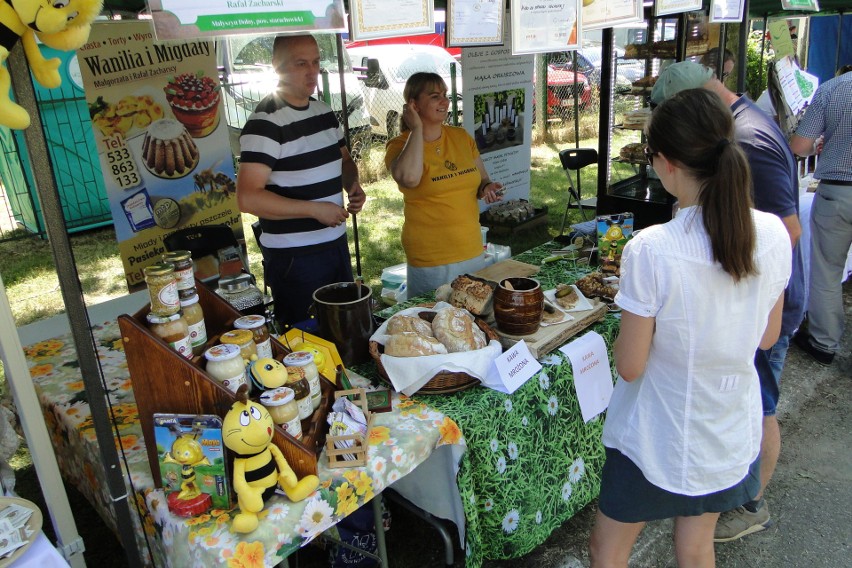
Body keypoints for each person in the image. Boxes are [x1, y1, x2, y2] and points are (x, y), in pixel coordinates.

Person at [589, 88, 792, 568]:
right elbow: (766, 338)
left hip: (655, 434)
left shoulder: (652, 248)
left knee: (607, 552)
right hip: (724, 427)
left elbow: (631, 366)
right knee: (696, 547)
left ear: (663, 162)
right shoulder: (773, 233)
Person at [650, 60, 805, 542]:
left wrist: (727, 283)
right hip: (758, 295)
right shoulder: (743, 126)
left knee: (757, 406)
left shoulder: (748, 142)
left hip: (765, 299)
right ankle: (727, 498)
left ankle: (749, 502)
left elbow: (789, 231)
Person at [237, 34, 366, 329]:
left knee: (344, 328)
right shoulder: (265, 124)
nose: (312, 72)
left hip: (335, 246)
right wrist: (314, 209)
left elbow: (345, 160)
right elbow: (248, 198)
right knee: (305, 337)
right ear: (277, 67)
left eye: (316, 62)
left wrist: (353, 185)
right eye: (301, 63)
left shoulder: (322, 112)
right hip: (295, 258)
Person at [385, 72, 503, 297]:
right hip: (431, 257)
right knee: (433, 318)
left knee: (472, 317)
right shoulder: (398, 145)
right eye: (434, 96)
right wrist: (417, 130)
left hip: (471, 248)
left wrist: (487, 188)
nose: (445, 101)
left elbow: (482, 180)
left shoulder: (461, 137)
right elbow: (409, 178)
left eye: (445, 95)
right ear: (414, 105)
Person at [789, 65, 852, 365]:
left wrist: (823, 142)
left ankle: (824, 343)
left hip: (838, 192)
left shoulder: (833, 88)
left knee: (827, 269)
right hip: (836, 190)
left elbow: (799, 146)